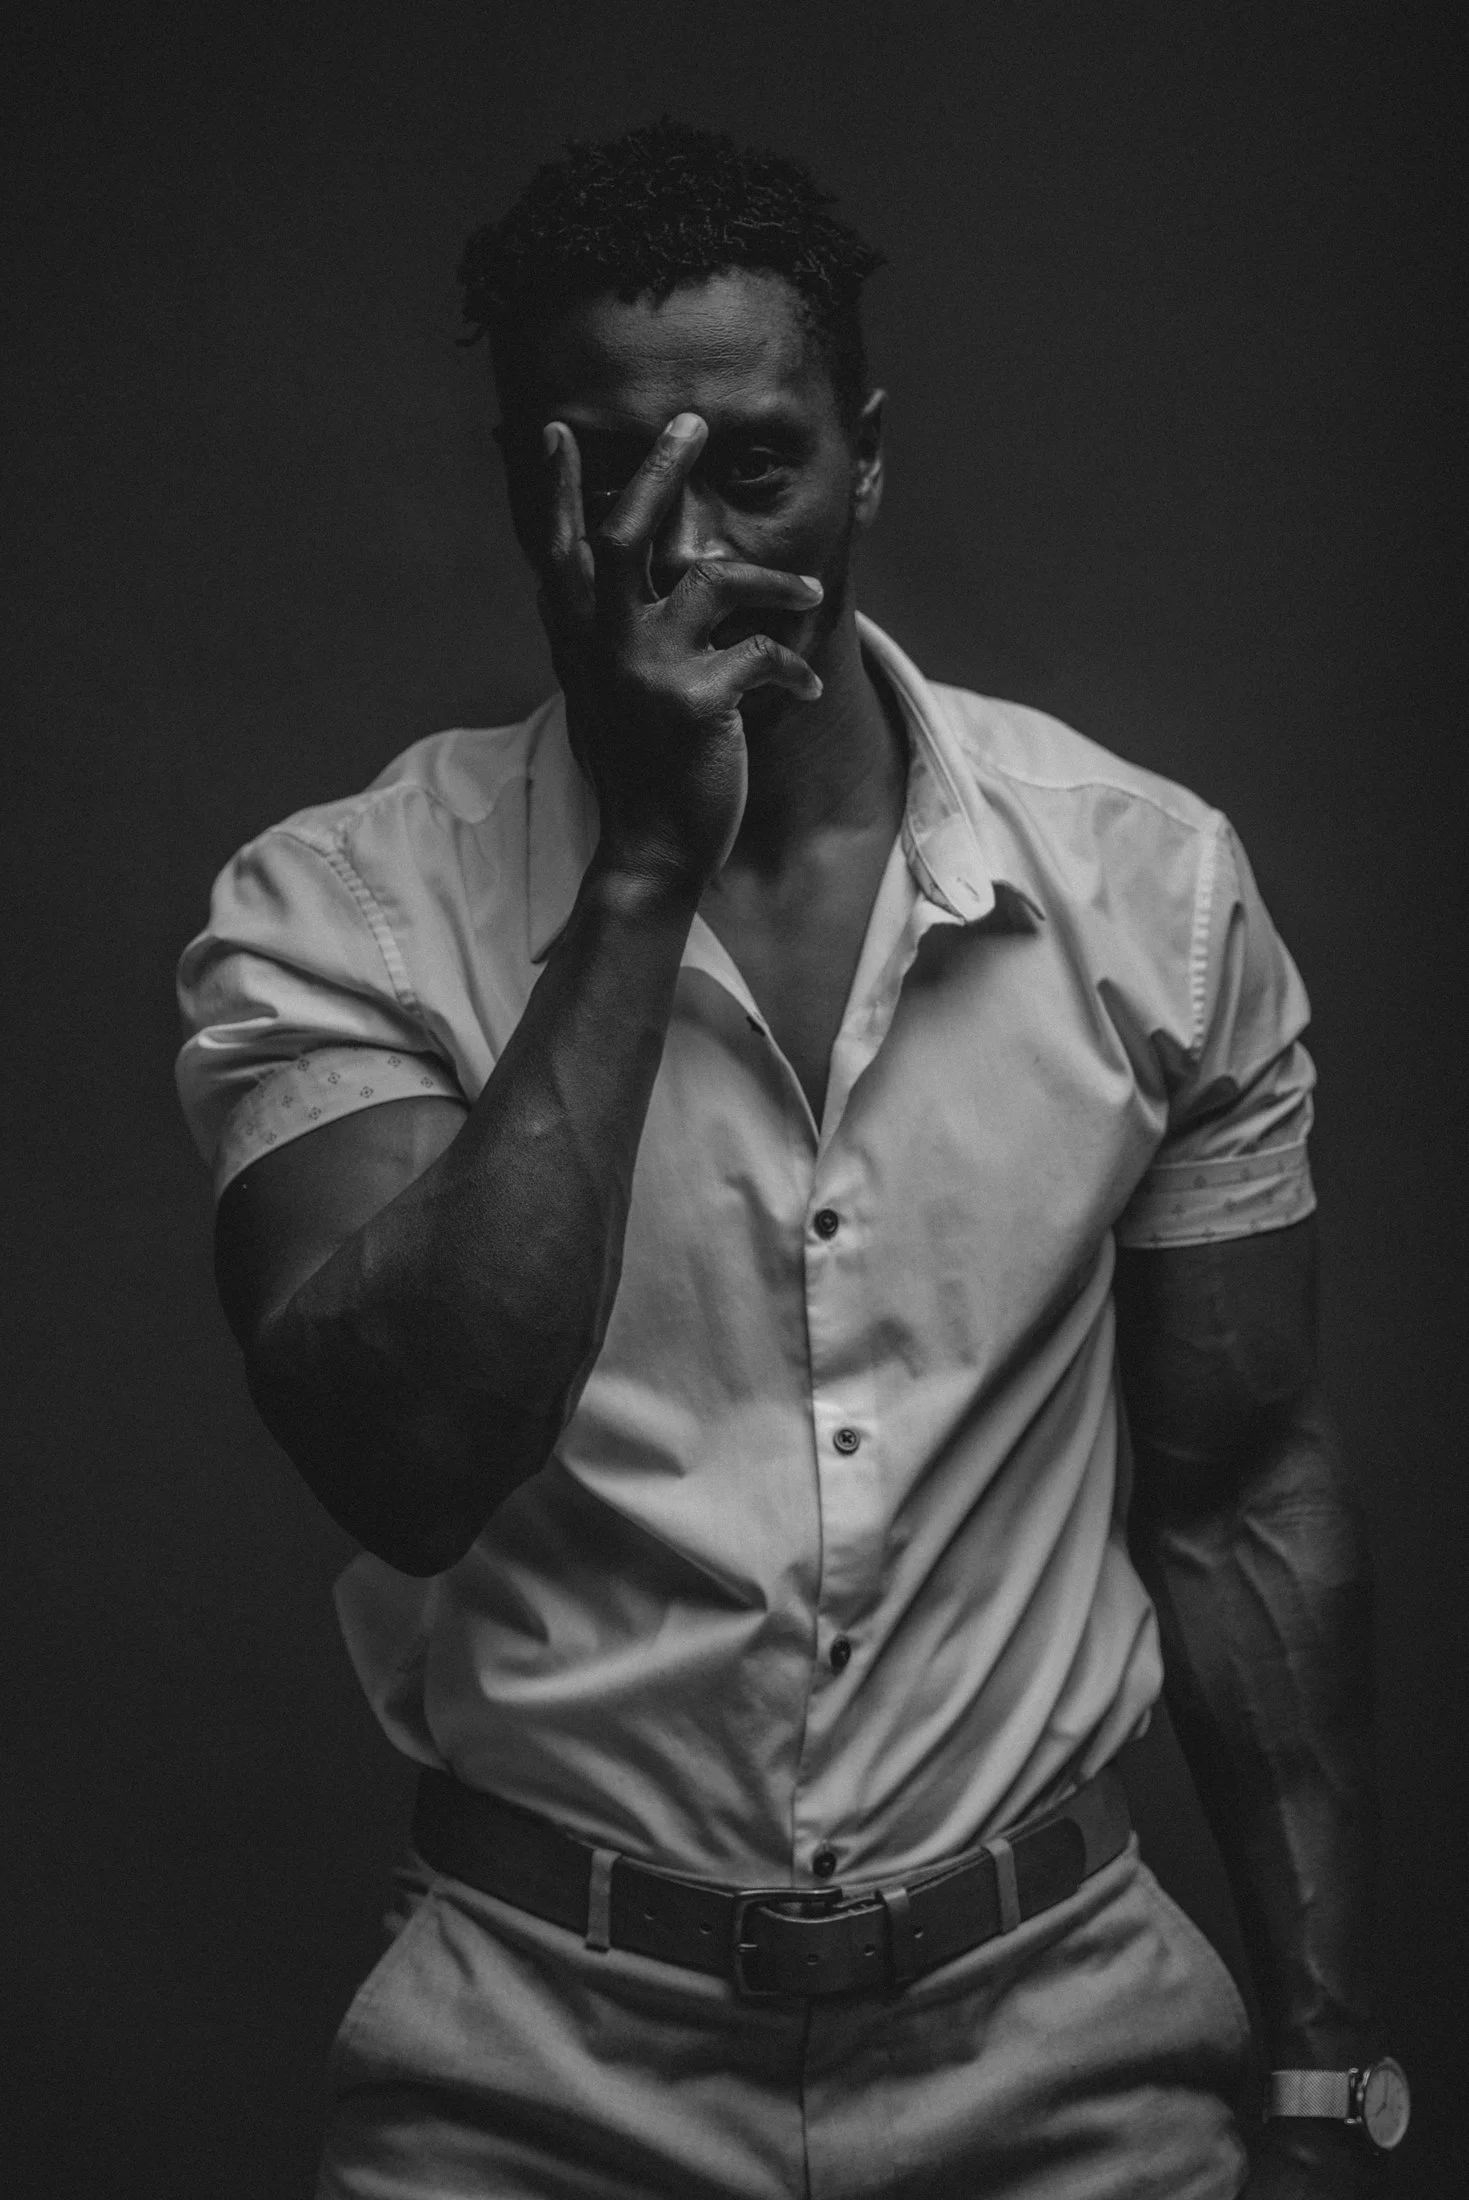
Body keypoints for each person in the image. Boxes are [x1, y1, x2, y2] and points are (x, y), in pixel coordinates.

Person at [176, 121, 1405, 2199]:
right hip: (534, 2069)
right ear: (517, 488)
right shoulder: (336, 915)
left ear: (866, 457)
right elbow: (407, 1454)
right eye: (602, 478)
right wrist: (649, 856)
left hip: (1063, 2052)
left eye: (752, 465)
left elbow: (1235, 1488)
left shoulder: (1147, 892)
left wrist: (1315, 2064)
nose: (685, 548)